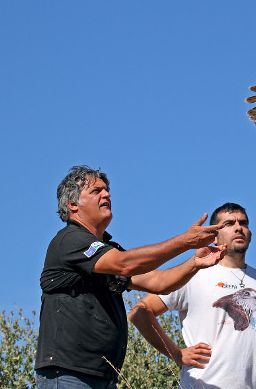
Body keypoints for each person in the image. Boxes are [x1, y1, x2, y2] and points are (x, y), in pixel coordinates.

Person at [35, 166, 226, 389]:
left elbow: (159, 282)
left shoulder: (106, 250)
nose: (106, 194)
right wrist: (185, 241)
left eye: (107, 190)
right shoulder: (70, 240)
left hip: (103, 378)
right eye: (96, 191)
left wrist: (194, 263)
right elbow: (124, 264)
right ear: (73, 205)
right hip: (69, 375)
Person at [129, 202, 256, 389]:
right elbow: (141, 312)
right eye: (229, 224)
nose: (239, 227)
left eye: (244, 223)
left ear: (250, 234)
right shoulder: (193, 274)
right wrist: (175, 353)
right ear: (215, 236)